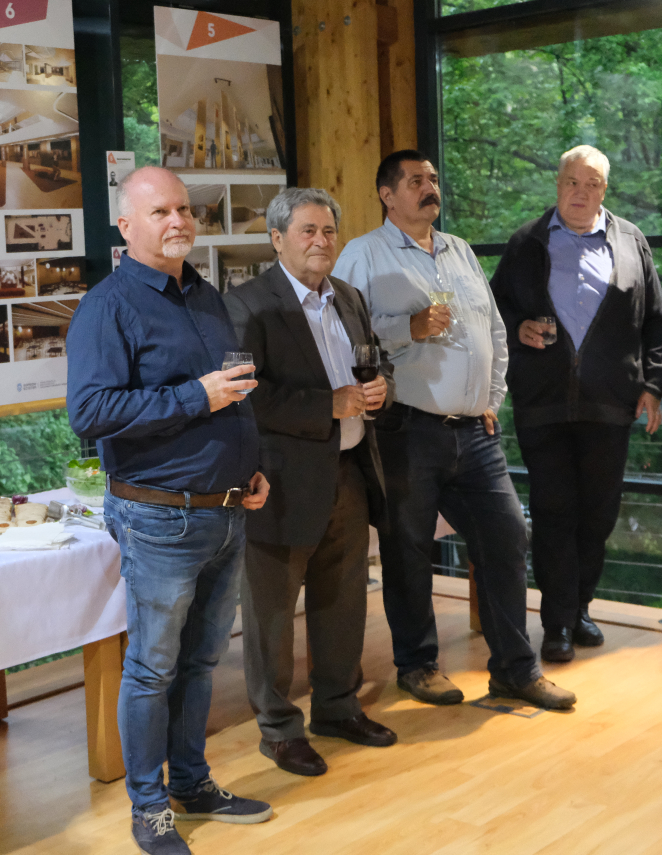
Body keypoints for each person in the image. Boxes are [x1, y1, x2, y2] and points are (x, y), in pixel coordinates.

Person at [68, 165, 272, 855]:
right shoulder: (109, 306)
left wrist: (251, 467)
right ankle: (148, 808)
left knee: (202, 661)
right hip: (159, 518)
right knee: (152, 669)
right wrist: (196, 397)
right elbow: (89, 412)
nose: (178, 220)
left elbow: (234, 393)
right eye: (160, 212)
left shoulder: (206, 295)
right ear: (126, 226)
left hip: (226, 509)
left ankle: (192, 783)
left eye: (184, 209)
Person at [333, 150, 576, 712]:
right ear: (387, 195)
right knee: (408, 551)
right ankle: (417, 665)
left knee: (507, 536)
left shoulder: (460, 250)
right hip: (407, 429)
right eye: (416, 180)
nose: (430, 187)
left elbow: (495, 331)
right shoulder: (363, 255)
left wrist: (491, 400)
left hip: (476, 433)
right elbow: (345, 333)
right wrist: (408, 327)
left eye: (434, 179)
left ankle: (515, 670)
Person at [224, 188, 395, 777]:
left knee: (343, 602)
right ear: (277, 239)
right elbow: (244, 394)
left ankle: (338, 709)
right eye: (307, 231)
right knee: (272, 616)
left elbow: (375, 360)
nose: (321, 241)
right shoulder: (246, 304)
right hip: (278, 483)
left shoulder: (348, 296)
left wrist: (382, 386)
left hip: (349, 474)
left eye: (328, 231)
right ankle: (277, 730)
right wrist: (329, 404)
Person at [489, 145, 662, 663]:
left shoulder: (631, 241)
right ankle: (556, 624)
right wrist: (518, 327)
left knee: (598, 515)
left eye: (592, 184)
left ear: (604, 191)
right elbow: (493, 310)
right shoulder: (526, 242)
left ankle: (580, 607)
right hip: (542, 404)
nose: (581, 192)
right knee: (553, 513)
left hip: (610, 404)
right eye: (573, 181)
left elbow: (657, 321)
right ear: (558, 184)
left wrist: (653, 385)